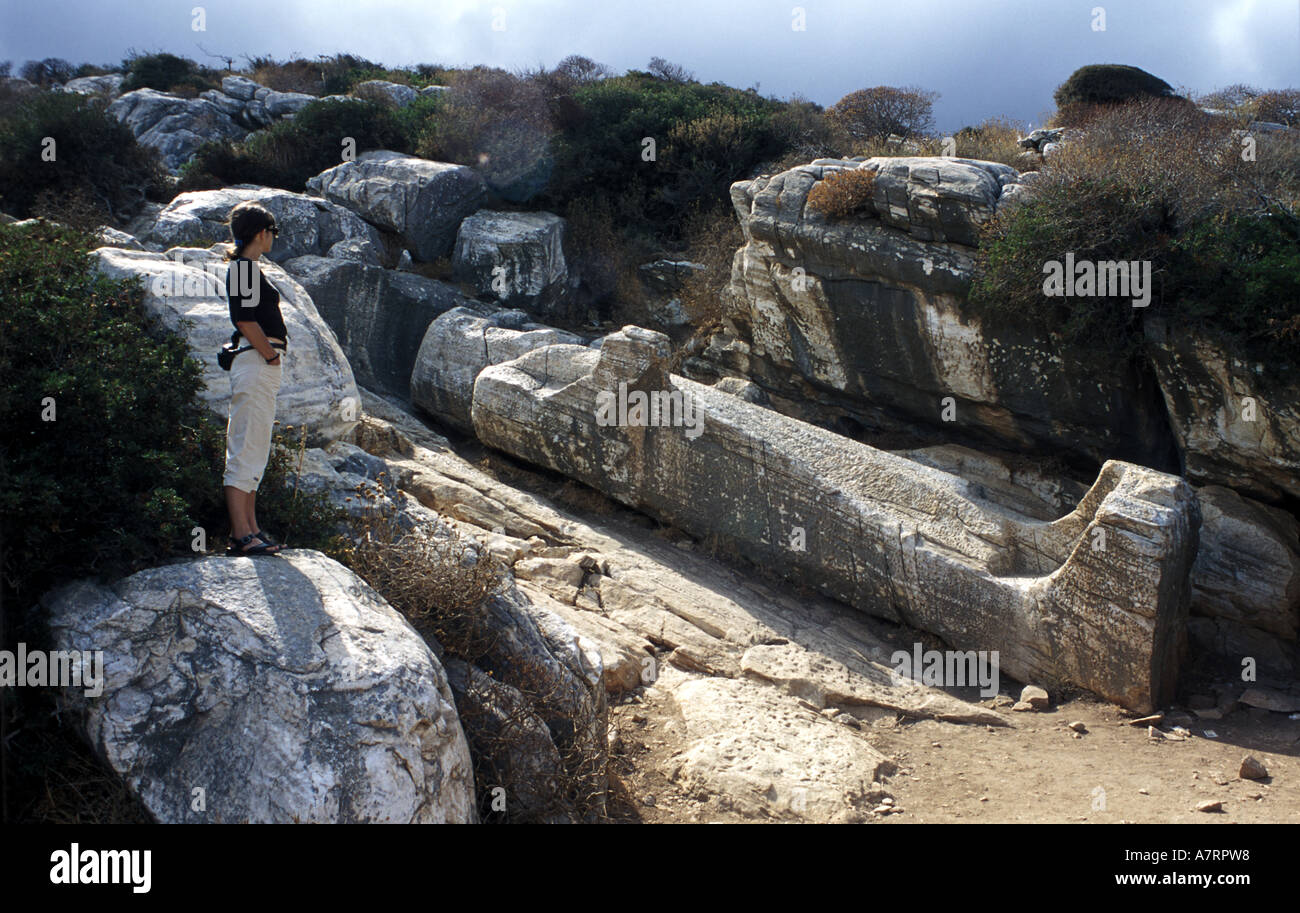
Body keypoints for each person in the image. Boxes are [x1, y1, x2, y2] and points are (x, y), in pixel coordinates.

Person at [222, 201, 289, 555]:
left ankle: (250, 529)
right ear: (262, 233)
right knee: (246, 445)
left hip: (257, 363)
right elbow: (245, 321)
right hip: (256, 361)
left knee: (255, 448)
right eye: (272, 232)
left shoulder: (247, 269)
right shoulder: (245, 270)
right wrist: (271, 354)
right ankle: (241, 534)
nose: (272, 239)